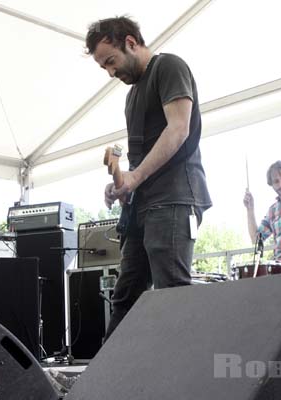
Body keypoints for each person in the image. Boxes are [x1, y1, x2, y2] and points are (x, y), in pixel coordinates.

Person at [85, 16, 212, 340]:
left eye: (111, 61)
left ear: (130, 42)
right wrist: (123, 186)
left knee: (172, 293)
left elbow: (178, 129)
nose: (111, 72)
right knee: (126, 297)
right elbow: (140, 161)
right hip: (144, 204)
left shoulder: (168, 67)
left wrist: (135, 176)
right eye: (104, 67)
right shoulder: (132, 96)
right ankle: (106, 382)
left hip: (174, 197)